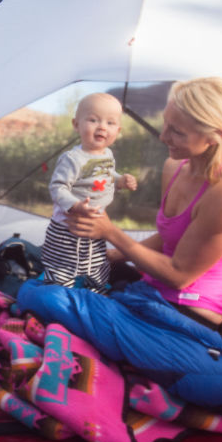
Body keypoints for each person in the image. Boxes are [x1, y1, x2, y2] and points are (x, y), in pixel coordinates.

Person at [64, 77, 222, 326]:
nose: (163, 136)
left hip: (191, 311)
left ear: (216, 136)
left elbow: (180, 276)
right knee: (59, 275)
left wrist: (111, 232)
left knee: (51, 300)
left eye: (177, 132)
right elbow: (170, 236)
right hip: (152, 291)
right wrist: (111, 256)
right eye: (165, 123)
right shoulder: (175, 167)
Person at [41, 92, 137, 292]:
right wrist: (75, 205)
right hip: (67, 229)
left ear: (117, 130)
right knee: (62, 269)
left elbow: (106, 175)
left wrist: (120, 180)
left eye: (110, 123)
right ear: (76, 124)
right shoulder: (73, 159)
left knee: (96, 265)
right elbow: (57, 187)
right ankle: (57, 297)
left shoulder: (107, 154)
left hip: (96, 225)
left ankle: (96, 294)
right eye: (93, 120)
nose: (102, 126)